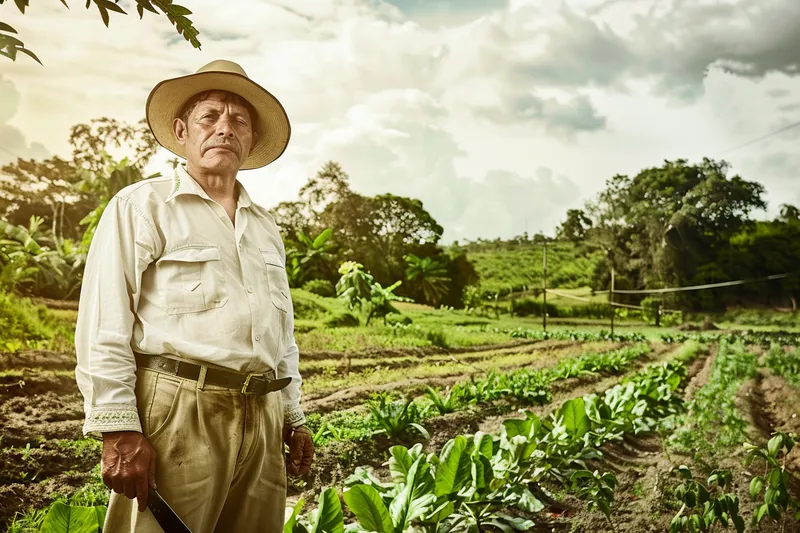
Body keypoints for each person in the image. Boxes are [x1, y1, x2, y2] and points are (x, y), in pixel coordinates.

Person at [74, 59, 314, 532]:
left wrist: (293, 414)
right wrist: (119, 428)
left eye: (239, 121)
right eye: (210, 116)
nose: (225, 128)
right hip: (182, 409)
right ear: (182, 131)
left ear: (250, 142)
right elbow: (104, 322)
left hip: (264, 416)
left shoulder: (265, 227)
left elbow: (280, 333)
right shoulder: (141, 206)